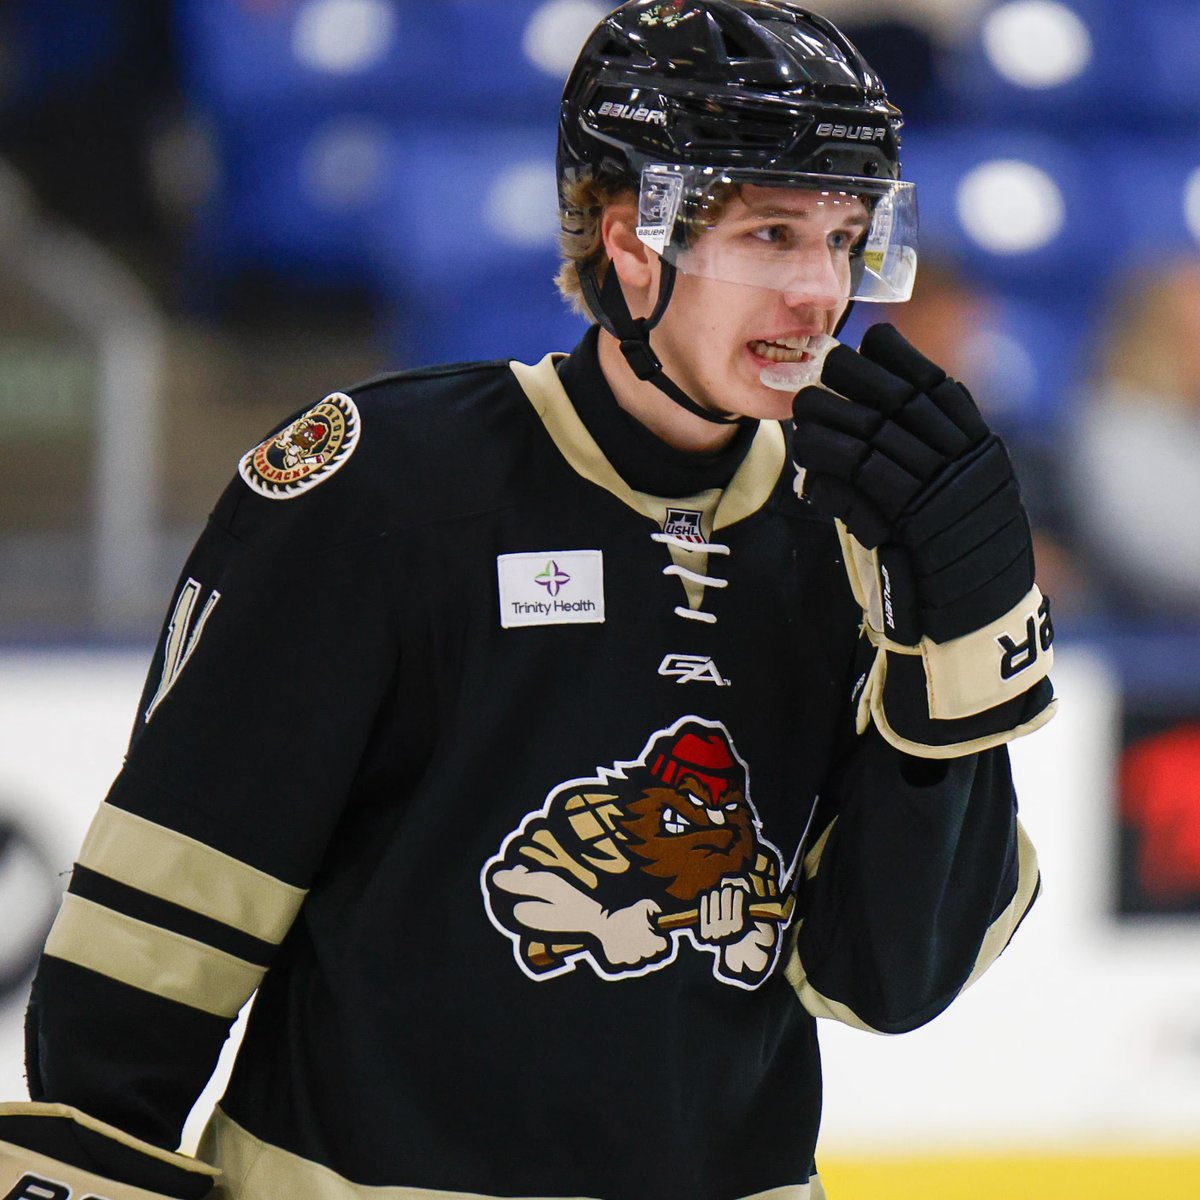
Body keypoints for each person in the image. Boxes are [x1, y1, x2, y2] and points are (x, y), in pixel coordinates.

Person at [0, 4, 1056, 1199]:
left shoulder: (852, 533)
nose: (822, 290)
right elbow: (169, 910)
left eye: (846, 238)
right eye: (772, 234)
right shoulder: (387, 490)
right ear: (630, 241)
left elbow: (892, 980)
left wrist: (954, 642)